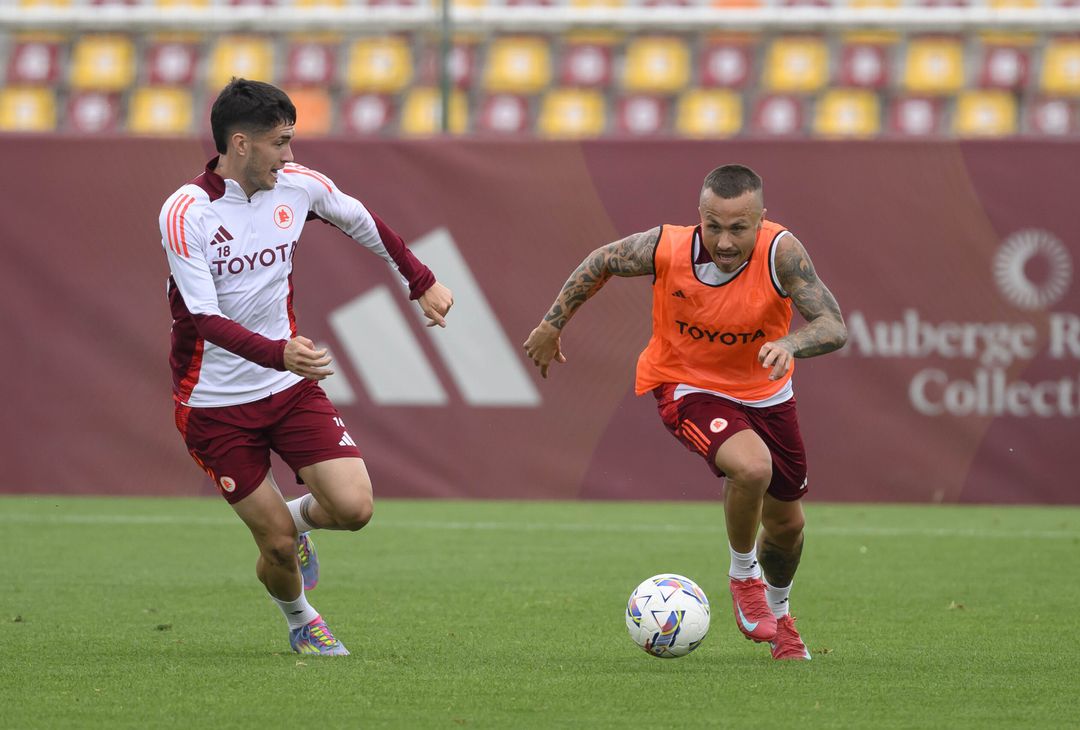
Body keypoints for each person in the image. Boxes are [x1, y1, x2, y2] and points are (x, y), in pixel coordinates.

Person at [158, 79, 453, 656]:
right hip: (214, 403)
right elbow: (203, 319)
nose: (289, 155)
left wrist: (421, 281)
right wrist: (279, 351)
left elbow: (362, 219)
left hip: (288, 386)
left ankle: (292, 528)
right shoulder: (185, 212)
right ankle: (301, 621)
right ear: (240, 144)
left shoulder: (296, 187)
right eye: (280, 143)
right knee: (273, 547)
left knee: (354, 508)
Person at [523, 164, 846, 661]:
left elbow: (832, 324)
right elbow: (602, 260)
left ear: (761, 221)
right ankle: (743, 576)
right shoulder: (667, 247)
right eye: (714, 225)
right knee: (751, 467)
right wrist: (551, 324)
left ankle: (781, 621)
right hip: (686, 386)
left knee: (788, 527)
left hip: (768, 395)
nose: (724, 240)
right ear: (700, 215)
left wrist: (791, 342)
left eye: (739, 228)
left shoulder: (782, 253)